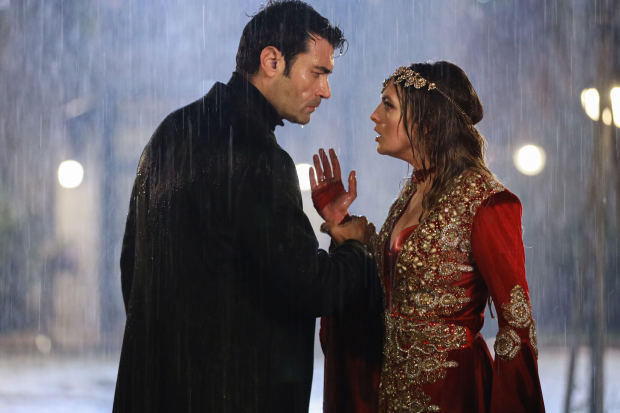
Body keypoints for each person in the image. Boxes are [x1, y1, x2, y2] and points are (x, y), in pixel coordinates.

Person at [112, 2, 382, 412]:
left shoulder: (172, 131)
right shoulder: (258, 156)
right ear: (272, 61)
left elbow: (132, 267)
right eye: (317, 73)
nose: (325, 91)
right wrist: (353, 245)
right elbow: (308, 288)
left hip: (154, 389)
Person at [311, 61, 545, 412]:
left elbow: (517, 326)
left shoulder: (487, 201)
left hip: (453, 395)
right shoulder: (413, 191)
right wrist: (343, 225)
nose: (374, 115)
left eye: (388, 105)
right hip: (390, 394)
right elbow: (393, 285)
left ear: (427, 121)